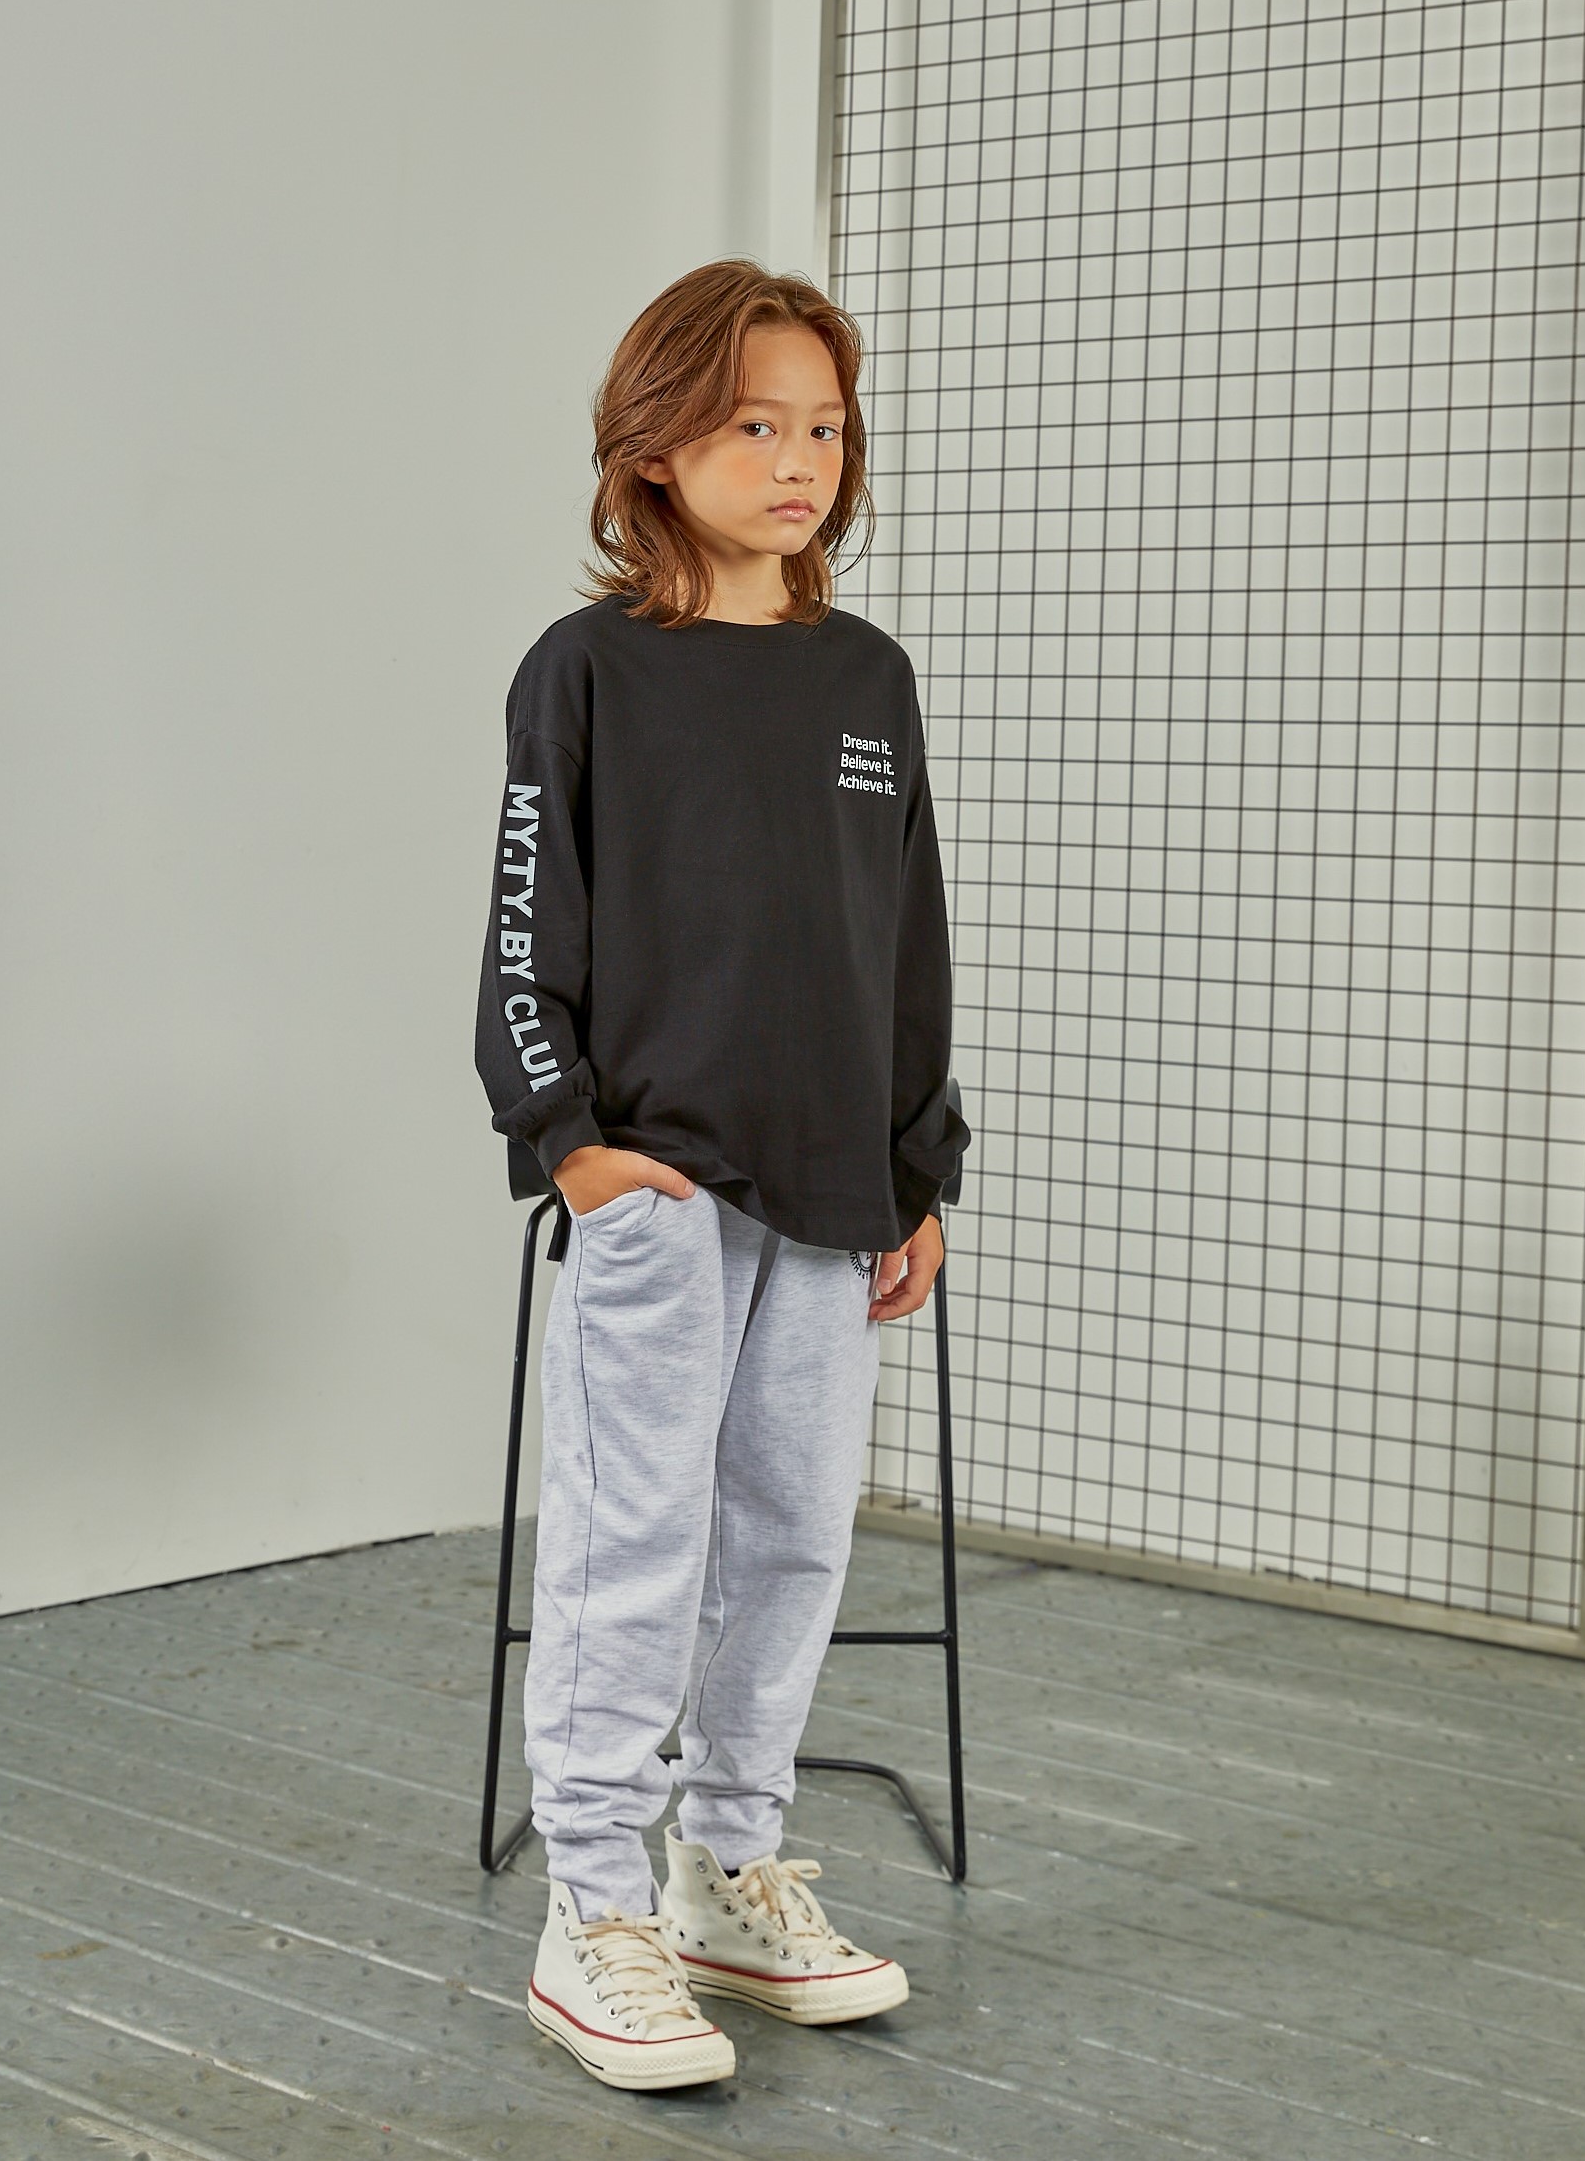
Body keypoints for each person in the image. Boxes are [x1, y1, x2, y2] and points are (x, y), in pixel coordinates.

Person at [473, 257, 970, 2093]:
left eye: (824, 425)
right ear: (656, 444)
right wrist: (570, 1142)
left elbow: (906, 945)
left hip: (836, 1200)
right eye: (755, 422)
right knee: (634, 1546)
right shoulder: (588, 670)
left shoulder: (867, 678)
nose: (799, 459)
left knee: (791, 1539)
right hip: (662, 1192)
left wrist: (918, 1169)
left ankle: (724, 1879)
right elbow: (525, 927)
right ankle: (591, 1909)